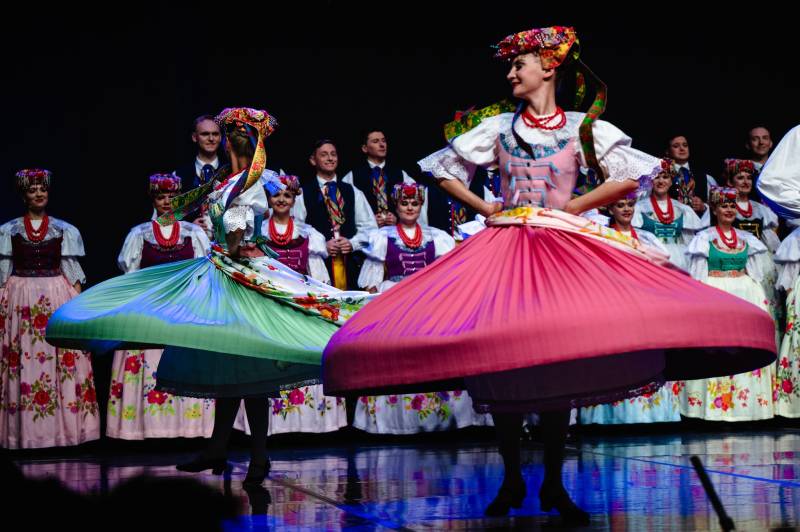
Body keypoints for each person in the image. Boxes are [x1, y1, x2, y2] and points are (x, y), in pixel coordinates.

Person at [320, 26, 775, 525]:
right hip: (507, 247)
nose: (511, 74)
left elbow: (629, 175)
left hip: (560, 246)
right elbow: (445, 170)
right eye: (511, 67)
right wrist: (486, 206)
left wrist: (574, 207)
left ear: (549, 67)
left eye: (520, 65)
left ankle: (555, 482)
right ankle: (512, 476)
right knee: (505, 357)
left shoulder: (582, 128)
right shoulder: (498, 128)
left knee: (558, 357)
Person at [46, 108, 371, 486]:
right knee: (230, 362)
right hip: (227, 272)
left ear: (237, 142)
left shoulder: (251, 184)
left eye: (230, 136)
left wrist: (227, 237)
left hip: (244, 275)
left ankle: (256, 455)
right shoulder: (227, 181)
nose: (225, 141)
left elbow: (237, 237)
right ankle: (222, 447)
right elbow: (203, 218)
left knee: (251, 366)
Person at [354, 183, 490, 434]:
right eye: (404, 203)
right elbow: (371, 282)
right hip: (394, 299)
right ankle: (394, 420)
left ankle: (440, 415)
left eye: (414, 203)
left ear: (420, 206)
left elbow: (447, 277)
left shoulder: (436, 237)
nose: (409, 208)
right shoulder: (382, 237)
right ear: (396, 206)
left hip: (426, 299)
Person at [235, 174, 348, 436]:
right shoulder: (258, 232)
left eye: (287, 195)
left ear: (295, 199)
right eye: (276, 195)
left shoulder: (308, 234)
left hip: (300, 304)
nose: (282, 200)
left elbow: (317, 275)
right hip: (268, 303)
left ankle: (307, 422)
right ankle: (273, 426)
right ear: (268, 199)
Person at [107, 173, 214, 440]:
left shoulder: (193, 233)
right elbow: (131, 277)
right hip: (150, 309)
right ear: (153, 199)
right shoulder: (139, 234)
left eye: (172, 196)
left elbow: (203, 274)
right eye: (161, 196)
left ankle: (189, 427)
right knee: (149, 361)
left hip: (185, 308)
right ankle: (147, 426)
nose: (167, 201)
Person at [0, 168, 99, 448]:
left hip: (55, 296)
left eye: (42, 189)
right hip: (22, 300)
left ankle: (63, 432)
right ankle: (23, 434)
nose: (39, 194)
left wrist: (78, 306)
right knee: (23, 360)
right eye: (32, 190)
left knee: (61, 357)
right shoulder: (9, 231)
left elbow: (72, 271)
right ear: (23, 196)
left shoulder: (64, 230)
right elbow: (4, 273)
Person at [580, 193, 680, 425]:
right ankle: (612, 415)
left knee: (644, 354)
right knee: (618, 354)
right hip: (614, 302)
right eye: (620, 205)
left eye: (630, 205)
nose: (626, 209)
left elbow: (660, 267)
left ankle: (650, 413)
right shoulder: (602, 236)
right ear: (610, 209)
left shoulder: (646, 238)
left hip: (643, 301)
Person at [679, 187, 776, 421]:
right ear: (714, 209)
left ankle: (746, 408)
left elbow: (757, 274)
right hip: (716, 294)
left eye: (732, 206)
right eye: (724, 206)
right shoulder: (704, 239)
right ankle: (713, 410)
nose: (729, 210)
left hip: (744, 294)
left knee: (745, 348)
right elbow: (697, 276)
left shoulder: (747, 239)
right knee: (719, 347)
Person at [293, 140, 377, 289]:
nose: (330, 158)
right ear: (313, 160)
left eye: (333, 154)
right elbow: (297, 230)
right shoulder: (303, 193)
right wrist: (321, 246)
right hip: (320, 269)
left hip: (351, 266)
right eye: (324, 155)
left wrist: (352, 243)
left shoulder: (352, 191)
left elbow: (370, 228)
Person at [341, 128, 429, 227]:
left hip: (396, 231)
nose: (382, 145)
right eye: (375, 141)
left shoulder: (400, 174)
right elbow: (346, 210)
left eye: (383, 141)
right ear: (365, 148)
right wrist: (369, 221)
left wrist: (399, 218)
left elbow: (416, 204)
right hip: (368, 233)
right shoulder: (352, 176)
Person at [634, 161, 707, 269]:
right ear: (651, 180)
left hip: (680, 261)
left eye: (665, 177)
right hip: (652, 259)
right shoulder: (640, 208)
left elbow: (690, 241)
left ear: (671, 181)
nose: (661, 181)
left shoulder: (683, 209)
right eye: (656, 177)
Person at [665, 134, 715, 216]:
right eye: (676, 146)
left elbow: (718, 207)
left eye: (685, 145)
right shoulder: (661, 176)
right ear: (667, 151)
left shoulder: (705, 177)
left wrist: (704, 207)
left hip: (698, 222)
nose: (682, 149)